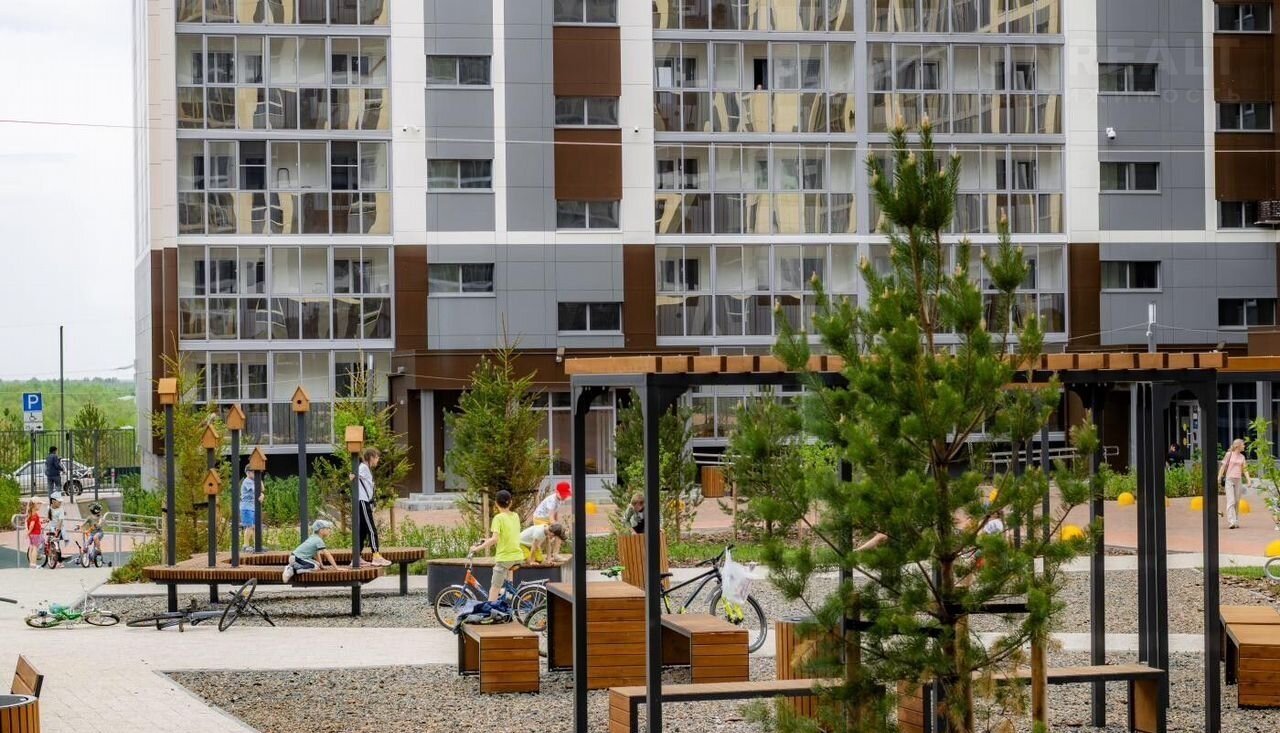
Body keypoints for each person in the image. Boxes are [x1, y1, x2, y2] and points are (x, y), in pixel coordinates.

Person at [470, 489, 523, 601]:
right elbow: (507, 535)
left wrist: (477, 548)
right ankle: (508, 595)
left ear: (496, 503)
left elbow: (495, 539)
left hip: (505, 558)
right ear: (511, 502)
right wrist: (486, 540)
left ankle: (491, 610)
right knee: (503, 584)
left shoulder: (498, 518)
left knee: (494, 588)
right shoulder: (515, 516)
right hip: (517, 556)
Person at [354, 448, 390, 567]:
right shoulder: (364, 468)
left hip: (364, 501)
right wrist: (352, 476)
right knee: (371, 529)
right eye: (377, 457)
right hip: (363, 502)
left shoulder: (365, 468)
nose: (378, 460)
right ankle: (376, 556)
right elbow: (353, 475)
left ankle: (356, 557)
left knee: (363, 530)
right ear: (371, 457)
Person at [1219, 438, 1252, 530]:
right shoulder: (1229, 454)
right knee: (1231, 501)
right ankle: (1231, 522)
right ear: (1238, 446)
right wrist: (1219, 477)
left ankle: (1236, 520)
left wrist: (1249, 480)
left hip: (1238, 480)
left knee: (1237, 501)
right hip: (1229, 479)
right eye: (1243, 444)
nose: (1244, 446)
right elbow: (1223, 467)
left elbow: (1245, 469)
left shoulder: (1242, 457)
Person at [239, 469, 263, 550]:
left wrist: (262, 494)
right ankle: (245, 545)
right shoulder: (247, 481)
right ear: (248, 472)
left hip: (252, 507)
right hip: (246, 507)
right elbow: (257, 490)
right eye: (253, 472)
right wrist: (261, 494)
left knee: (255, 526)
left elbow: (262, 489)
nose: (255, 474)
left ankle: (257, 545)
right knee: (249, 526)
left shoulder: (253, 481)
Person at [46, 493, 66, 569]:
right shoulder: (49, 508)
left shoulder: (61, 510)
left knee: (56, 544)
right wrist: (46, 520)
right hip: (51, 528)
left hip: (58, 529)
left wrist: (57, 530)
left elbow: (60, 521)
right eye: (59, 502)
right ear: (53, 501)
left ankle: (60, 562)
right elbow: (49, 517)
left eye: (61, 502)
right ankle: (51, 558)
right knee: (50, 543)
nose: (60, 503)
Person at [25, 501, 42, 568]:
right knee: (35, 548)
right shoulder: (34, 515)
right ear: (34, 505)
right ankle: (34, 564)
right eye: (39, 504)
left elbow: (31, 523)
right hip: (35, 533)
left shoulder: (30, 514)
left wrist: (28, 532)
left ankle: (31, 564)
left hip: (32, 534)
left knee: (31, 547)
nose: (40, 506)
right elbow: (32, 525)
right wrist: (28, 532)